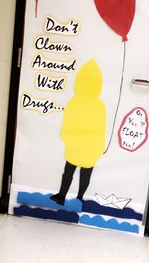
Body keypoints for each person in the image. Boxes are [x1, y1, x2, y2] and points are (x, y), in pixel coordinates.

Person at [50, 59, 106, 205]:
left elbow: (67, 122)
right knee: (85, 173)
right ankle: (80, 198)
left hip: (75, 144)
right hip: (90, 146)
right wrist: (100, 146)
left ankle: (62, 196)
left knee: (68, 171)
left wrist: (66, 136)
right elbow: (102, 127)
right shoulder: (99, 105)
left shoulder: (74, 102)